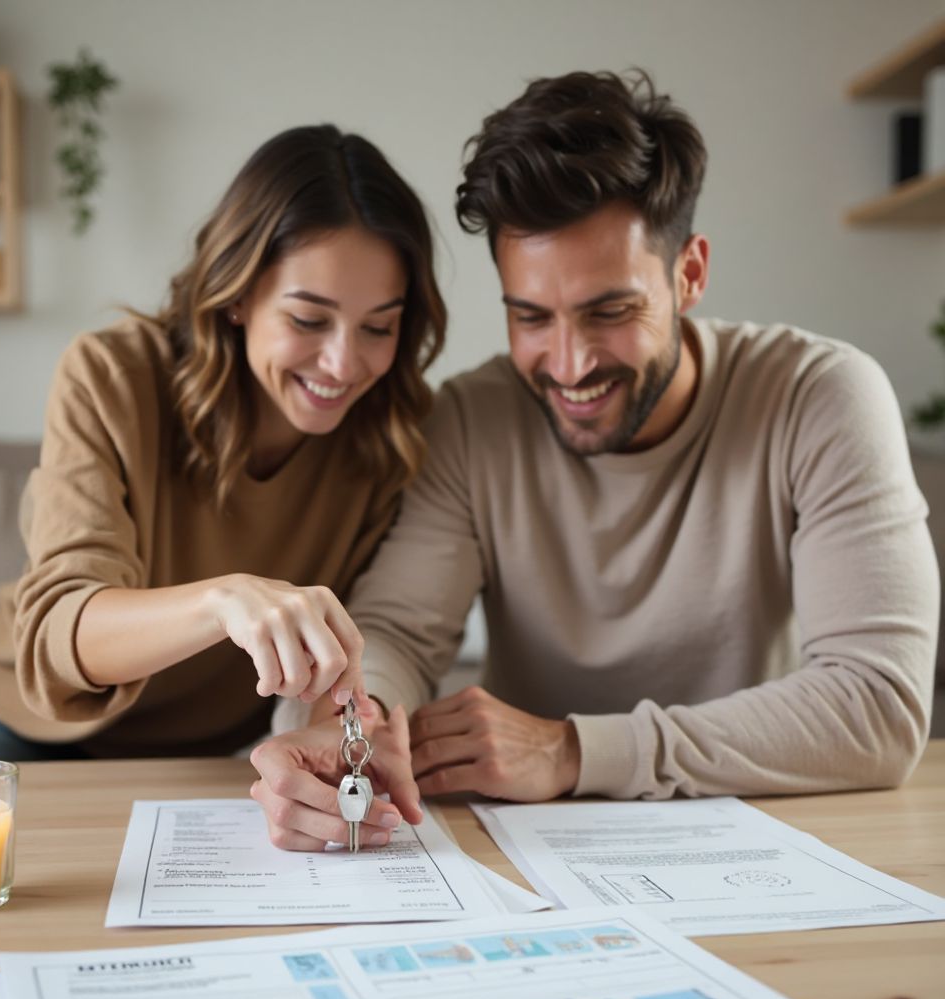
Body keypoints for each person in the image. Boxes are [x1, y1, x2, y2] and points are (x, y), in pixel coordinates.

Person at [250, 70, 938, 848]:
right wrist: (352, 726)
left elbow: (878, 704)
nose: (570, 364)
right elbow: (399, 636)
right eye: (531, 317)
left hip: (769, 834)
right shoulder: (473, 419)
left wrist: (573, 750)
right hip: (540, 850)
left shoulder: (821, 397)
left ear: (690, 275)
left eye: (609, 312)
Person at [0, 124, 443, 837]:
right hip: (17, 715)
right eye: (308, 319)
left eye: (378, 327)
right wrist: (224, 601)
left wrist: (346, 726)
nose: (344, 364)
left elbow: (363, 641)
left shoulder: (392, 434)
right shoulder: (113, 375)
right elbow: (55, 631)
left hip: (204, 755)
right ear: (237, 296)